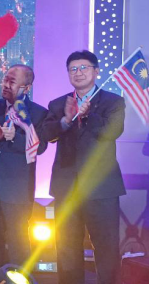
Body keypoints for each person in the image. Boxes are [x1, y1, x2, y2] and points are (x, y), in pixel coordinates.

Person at [41, 50, 125, 284]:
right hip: (66, 187)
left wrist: (88, 116)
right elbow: (46, 134)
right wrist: (66, 120)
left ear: (96, 71)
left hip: (102, 189)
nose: (78, 73)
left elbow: (113, 132)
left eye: (83, 68)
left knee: (106, 249)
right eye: (73, 69)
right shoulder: (58, 104)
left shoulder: (113, 102)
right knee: (66, 248)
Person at [0, 65, 48, 274]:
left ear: (26, 87)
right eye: (5, 80)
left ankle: (20, 278)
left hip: (16, 188)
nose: (5, 84)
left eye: (12, 82)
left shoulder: (38, 113)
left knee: (18, 241)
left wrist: (13, 137)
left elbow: (40, 147)